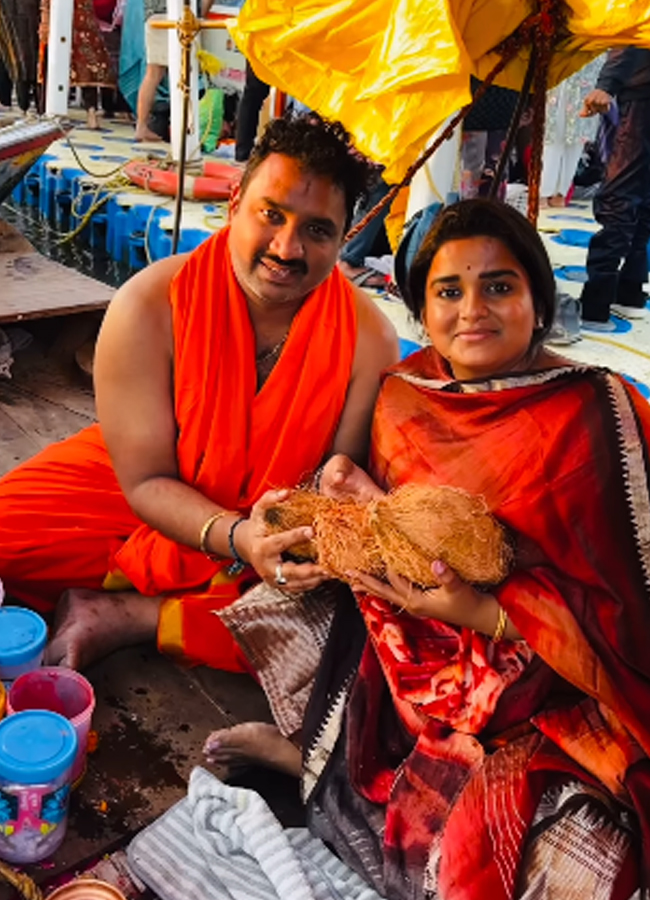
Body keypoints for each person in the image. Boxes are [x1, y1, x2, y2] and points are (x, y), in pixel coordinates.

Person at [208, 198, 650, 898]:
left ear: (539, 303)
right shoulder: (406, 395)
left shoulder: (594, 412)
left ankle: (345, 771)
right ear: (421, 310)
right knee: (284, 591)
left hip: (543, 672)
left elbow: (627, 611)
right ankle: (318, 761)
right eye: (448, 291)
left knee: (576, 856)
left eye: (499, 286)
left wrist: (482, 612)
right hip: (405, 647)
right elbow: (376, 520)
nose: (472, 309)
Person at [0, 111, 398, 673]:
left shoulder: (369, 339)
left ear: (343, 240)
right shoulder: (148, 304)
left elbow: (335, 490)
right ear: (235, 203)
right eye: (272, 214)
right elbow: (143, 479)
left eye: (316, 230)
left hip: (273, 522)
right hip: (146, 489)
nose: (286, 248)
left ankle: (131, 616)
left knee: (343, 618)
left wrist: (284, 533)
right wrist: (238, 537)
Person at [579, 47, 650, 329]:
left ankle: (595, 305)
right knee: (644, 200)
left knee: (618, 198)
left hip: (641, 97)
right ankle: (629, 291)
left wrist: (607, 84)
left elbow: (634, 29)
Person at [134, 0, 213, 141]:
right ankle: (187, 129)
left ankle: (141, 126)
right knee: (188, 72)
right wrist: (201, 16)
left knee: (153, 73)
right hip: (183, 19)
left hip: (154, 16)